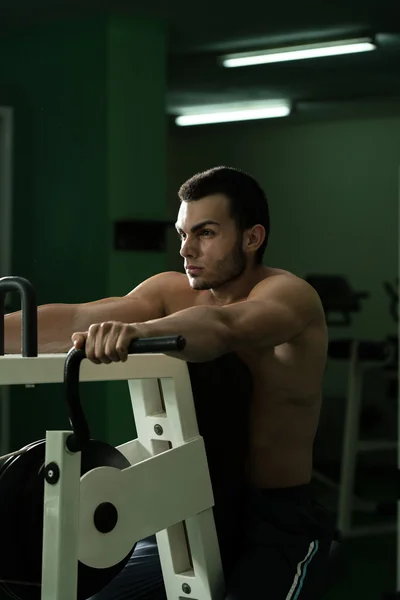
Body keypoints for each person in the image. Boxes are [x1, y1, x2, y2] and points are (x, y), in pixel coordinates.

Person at [5, 166, 334, 599]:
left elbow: (223, 327)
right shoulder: (171, 290)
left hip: (275, 521)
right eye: (182, 234)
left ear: (252, 238)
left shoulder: (289, 296)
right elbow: (76, 319)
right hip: (189, 505)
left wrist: (142, 332)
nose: (186, 249)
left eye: (205, 233)